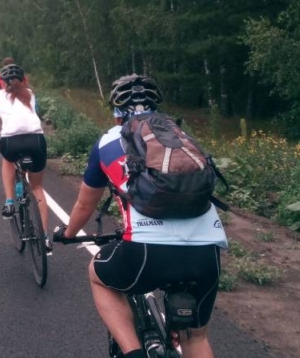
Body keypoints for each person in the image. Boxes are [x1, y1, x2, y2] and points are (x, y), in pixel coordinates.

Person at [53, 74, 227, 358]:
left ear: (117, 113)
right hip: (206, 251)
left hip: (146, 251)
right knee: (196, 338)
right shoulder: (181, 138)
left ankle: (132, 351)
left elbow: (85, 205)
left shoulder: (107, 142)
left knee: (98, 275)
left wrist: (68, 234)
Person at [0, 63, 50, 251]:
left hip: (11, 142)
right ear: (24, 80)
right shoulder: (30, 94)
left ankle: (9, 202)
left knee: (7, 160)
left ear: (1, 82)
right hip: (36, 140)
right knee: (37, 187)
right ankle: (45, 238)